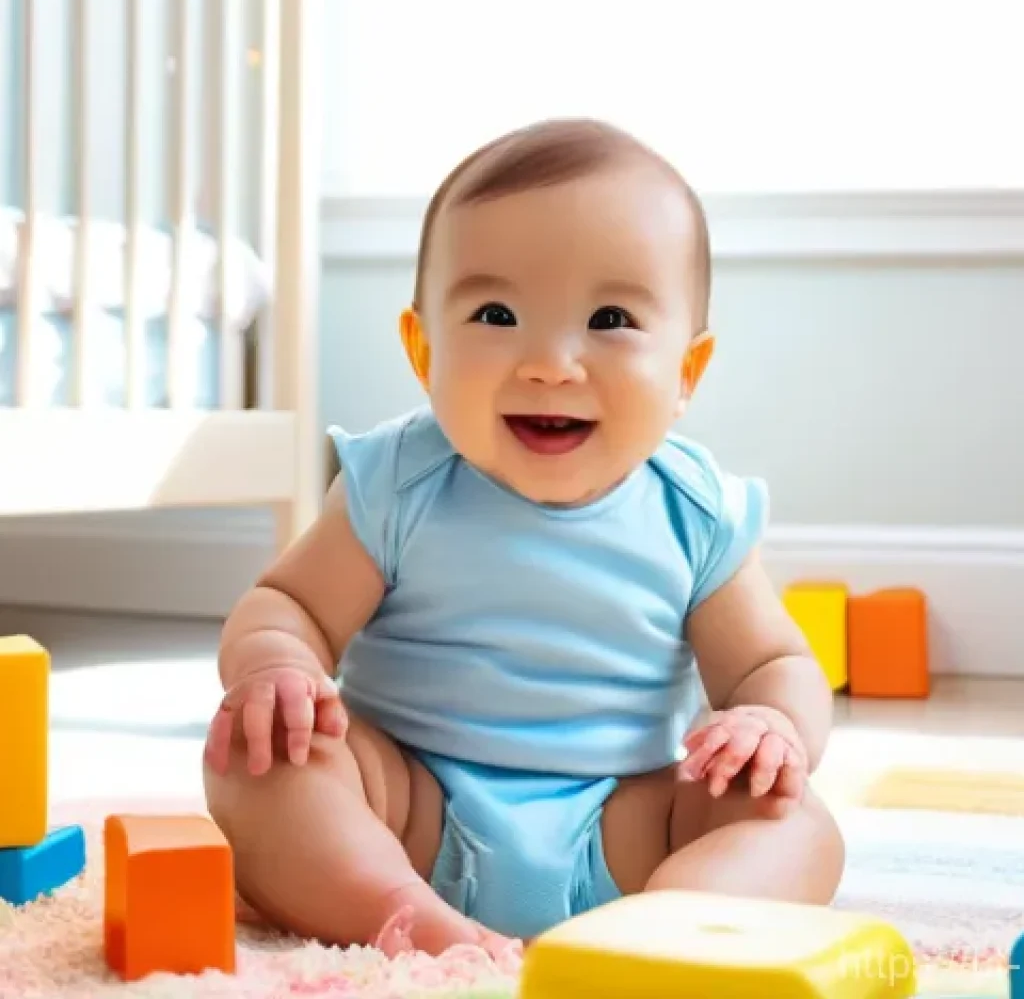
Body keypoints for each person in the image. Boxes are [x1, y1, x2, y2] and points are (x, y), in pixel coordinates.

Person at [202, 118, 845, 959]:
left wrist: (771, 722)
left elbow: (772, 662)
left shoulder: (694, 511)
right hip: (407, 810)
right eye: (496, 314)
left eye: (610, 317)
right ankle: (394, 912)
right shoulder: (398, 483)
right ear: (423, 350)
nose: (550, 363)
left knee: (793, 819)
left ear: (685, 374)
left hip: (632, 826)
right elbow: (290, 606)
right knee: (257, 758)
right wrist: (276, 667)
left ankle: (665, 929)